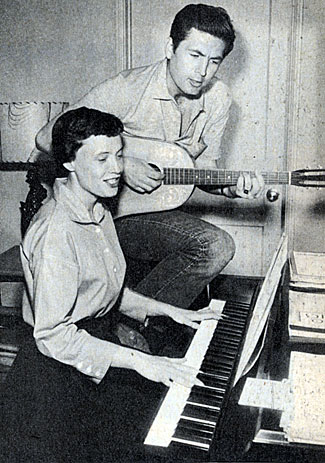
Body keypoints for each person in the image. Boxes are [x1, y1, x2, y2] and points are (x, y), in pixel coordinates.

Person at [0, 107, 224, 463]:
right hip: (53, 378)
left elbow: (105, 291)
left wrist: (173, 311)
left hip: (93, 347)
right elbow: (53, 335)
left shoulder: (98, 211)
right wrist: (140, 362)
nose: (117, 168)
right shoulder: (56, 233)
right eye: (102, 158)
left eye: (119, 155)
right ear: (69, 163)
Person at [34, 4, 264, 322]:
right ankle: (131, 326)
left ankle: (136, 327)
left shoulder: (218, 98)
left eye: (214, 61)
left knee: (216, 246)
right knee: (214, 245)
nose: (203, 72)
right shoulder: (127, 88)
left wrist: (232, 187)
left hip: (154, 211)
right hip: (103, 214)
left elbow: (202, 173)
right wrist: (123, 163)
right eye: (194, 55)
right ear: (170, 48)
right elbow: (47, 138)